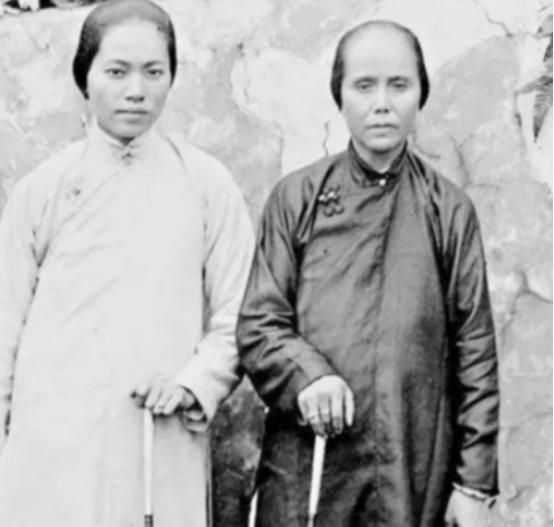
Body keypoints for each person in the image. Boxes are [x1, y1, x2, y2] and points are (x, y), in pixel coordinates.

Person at [0, 1, 254, 525]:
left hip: (157, 438)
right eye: (116, 72)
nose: (136, 90)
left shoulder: (206, 184)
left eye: (153, 72)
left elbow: (241, 311)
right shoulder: (43, 190)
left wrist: (193, 383)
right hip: (51, 444)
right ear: (85, 77)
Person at [237, 20, 499, 527]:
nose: (382, 103)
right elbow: (259, 324)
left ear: (421, 94)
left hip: (412, 462)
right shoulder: (297, 198)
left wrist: (474, 484)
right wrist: (308, 375)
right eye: (364, 86)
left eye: (399, 85)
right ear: (339, 95)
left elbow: (476, 352)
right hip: (308, 467)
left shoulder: (448, 210)